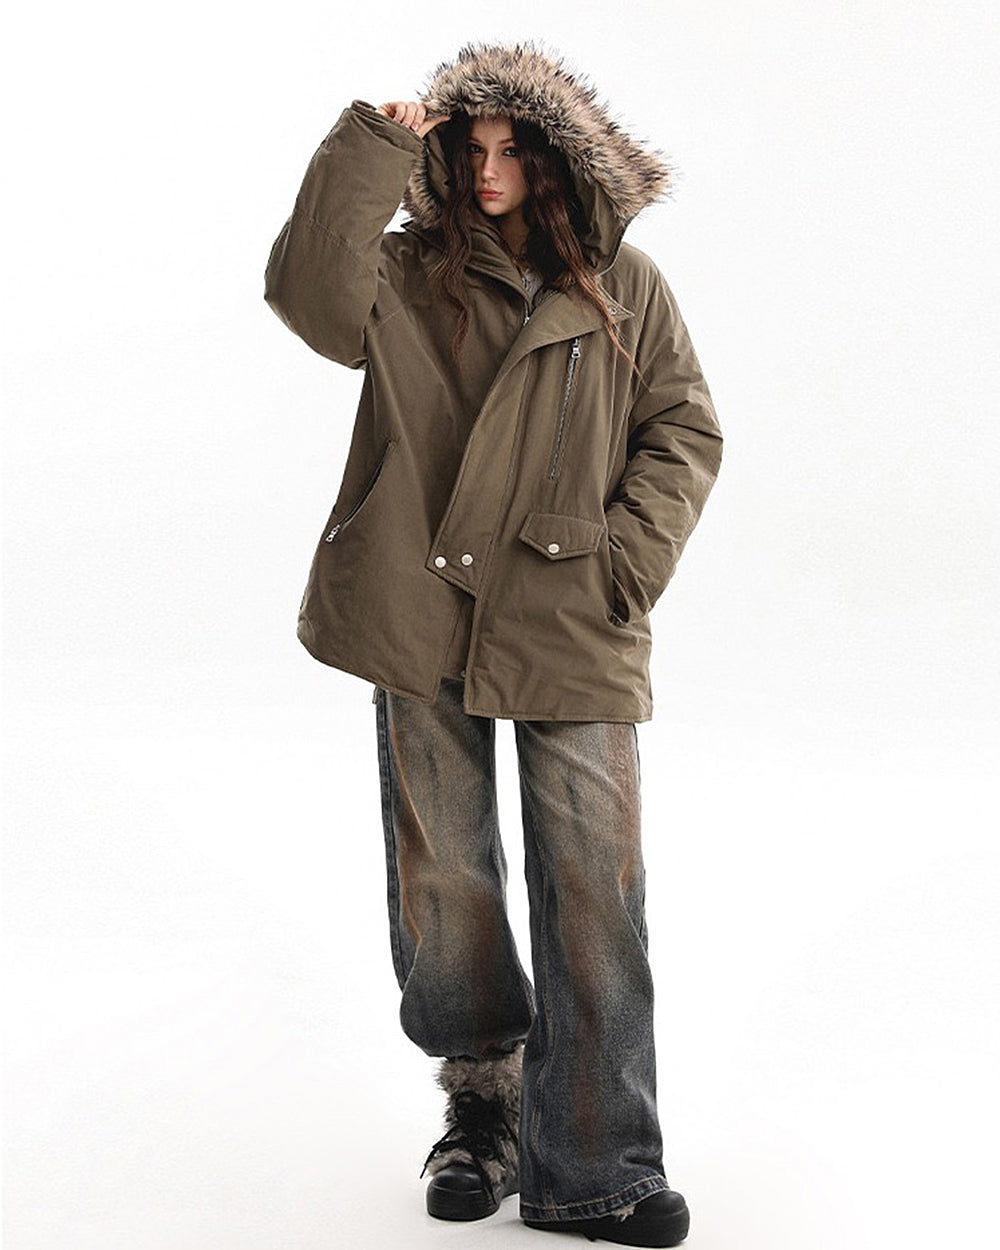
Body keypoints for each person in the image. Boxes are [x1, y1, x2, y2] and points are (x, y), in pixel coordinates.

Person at [263, 39, 723, 1249]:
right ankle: (482, 1109)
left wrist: (623, 562)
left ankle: (602, 1164)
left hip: (572, 609)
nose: (487, 169)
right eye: (469, 148)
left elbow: (682, 429)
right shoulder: (408, 273)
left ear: (560, 159)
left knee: (594, 885)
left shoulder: (626, 287)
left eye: (513, 148)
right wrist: (372, 143)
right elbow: (307, 298)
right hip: (419, 603)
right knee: (445, 879)